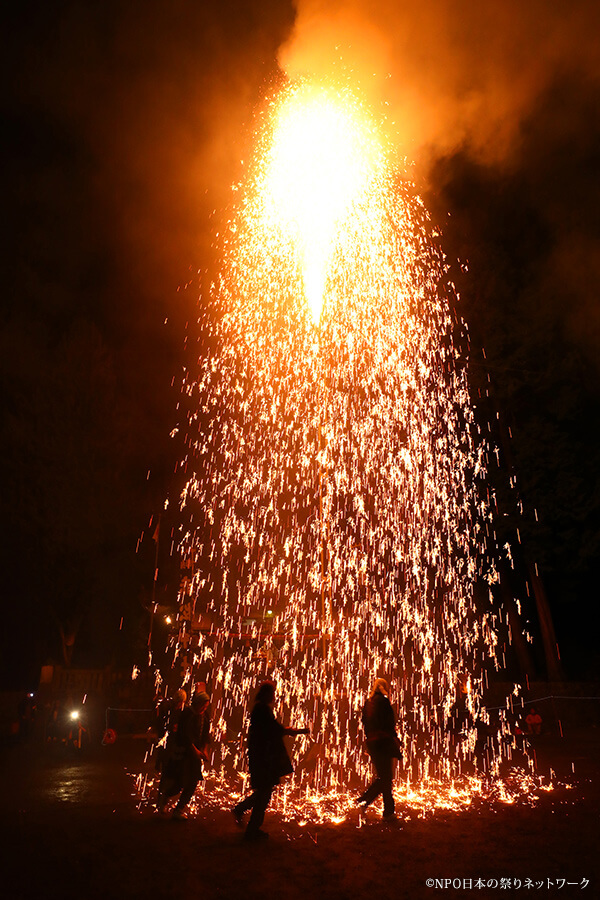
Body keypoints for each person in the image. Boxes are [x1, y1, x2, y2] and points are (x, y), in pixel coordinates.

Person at [232, 681, 309, 840]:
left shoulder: (261, 708)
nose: (274, 697)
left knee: (264, 791)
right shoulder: (262, 709)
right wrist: (292, 731)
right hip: (263, 758)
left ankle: (243, 814)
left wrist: (289, 731)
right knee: (264, 792)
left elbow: (272, 729)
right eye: (272, 693)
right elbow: (273, 730)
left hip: (261, 756)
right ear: (267, 694)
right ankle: (251, 828)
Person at [157, 690, 211, 819]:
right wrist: (194, 750)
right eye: (202, 705)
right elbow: (184, 735)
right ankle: (165, 797)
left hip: (195, 756)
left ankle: (179, 809)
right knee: (180, 782)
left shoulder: (205, 716)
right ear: (196, 703)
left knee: (192, 782)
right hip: (183, 754)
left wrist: (204, 750)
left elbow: (206, 736)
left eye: (206, 706)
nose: (204, 708)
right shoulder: (187, 714)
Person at [357, 677, 401, 819]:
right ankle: (367, 801)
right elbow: (389, 722)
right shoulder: (383, 701)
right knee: (385, 777)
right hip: (383, 742)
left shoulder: (368, 703)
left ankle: (387, 810)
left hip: (372, 743)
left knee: (384, 777)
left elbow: (364, 723)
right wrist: (395, 739)